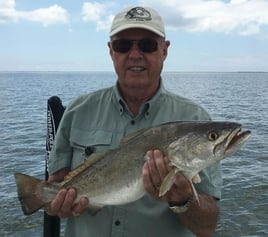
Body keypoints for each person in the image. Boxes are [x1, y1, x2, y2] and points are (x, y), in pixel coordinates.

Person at [46, 6, 222, 237]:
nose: (135, 54)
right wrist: (59, 204)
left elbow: (206, 227)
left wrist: (184, 199)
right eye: (123, 45)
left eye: (147, 45)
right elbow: (50, 194)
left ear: (164, 50)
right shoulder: (77, 111)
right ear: (111, 51)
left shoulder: (196, 118)